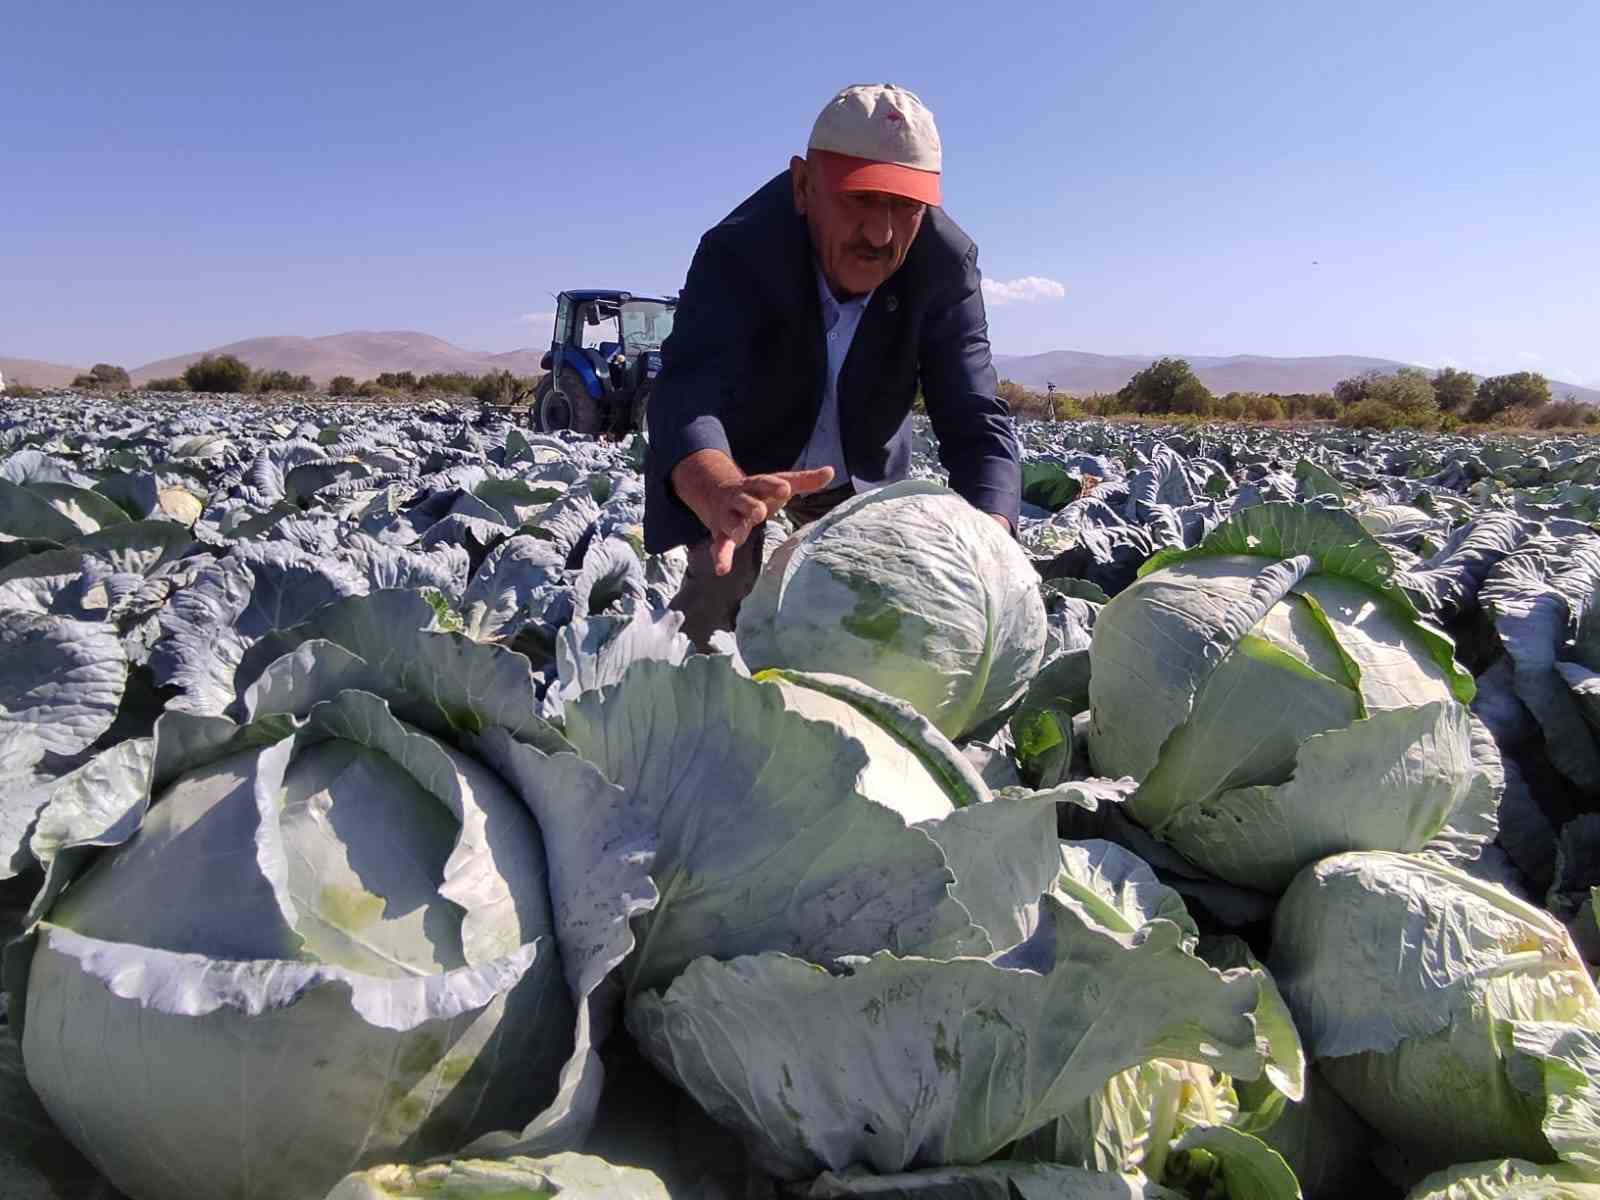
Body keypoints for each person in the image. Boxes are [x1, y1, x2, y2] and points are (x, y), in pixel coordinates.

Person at [645, 83, 1022, 647]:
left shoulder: (944, 264)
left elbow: (974, 414)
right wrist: (718, 489)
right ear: (803, 186)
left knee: (874, 628)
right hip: (746, 468)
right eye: (861, 199)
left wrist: (993, 535)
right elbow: (687, 389)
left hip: (859, 468)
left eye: (906, 206)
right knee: (716, 595)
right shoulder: (739, 252)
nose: (882, 233)